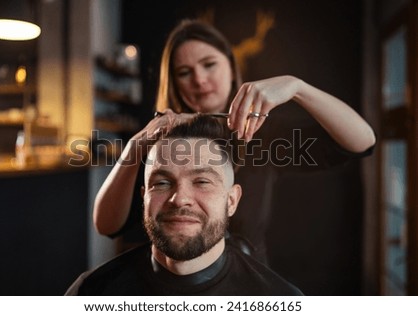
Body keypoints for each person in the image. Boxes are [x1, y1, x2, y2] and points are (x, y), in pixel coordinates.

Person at [93, 19, 376, 264]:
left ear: (231, 66)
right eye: (184, 72)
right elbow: (107, 225)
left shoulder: (264, 134)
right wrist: (136, 146)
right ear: (174, 82)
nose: (199, 80)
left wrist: (297, 87)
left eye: (209, 65)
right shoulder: (160, 141)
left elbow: (362, 142)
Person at [66, 116, 303, 295]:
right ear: (144, 197)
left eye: (201, 181)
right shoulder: (90, 292)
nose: (179, 199)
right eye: (161, 183)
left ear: (231, 201)